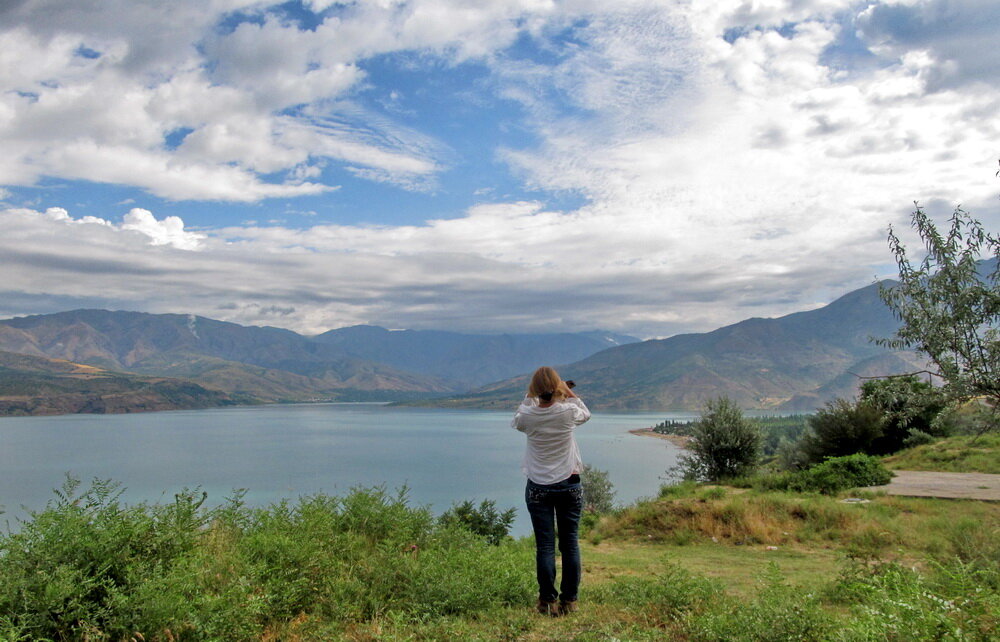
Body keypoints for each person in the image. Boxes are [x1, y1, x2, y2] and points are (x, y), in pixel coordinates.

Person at [511, 366, 591, 617]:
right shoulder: (567, 412)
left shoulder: (527, 416)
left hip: (538, 487)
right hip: (569, 483)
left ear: (534, 390)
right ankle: (570, 601)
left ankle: (547, 602)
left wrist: (531, 395)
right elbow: (586, 413)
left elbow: (519, 417)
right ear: (557, 388)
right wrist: (567, 391)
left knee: (545, 546)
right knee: (570, 544)